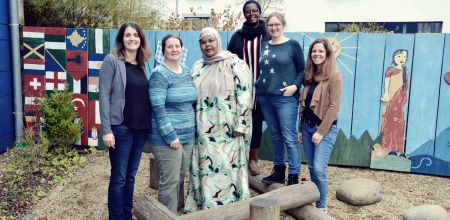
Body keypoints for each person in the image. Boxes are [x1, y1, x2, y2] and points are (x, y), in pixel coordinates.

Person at [184, 27, 253, 212]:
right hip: (203, 129)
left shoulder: (235, 64)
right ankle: (206, 204)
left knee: (228, 166)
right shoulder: (198, 67)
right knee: (206, 165)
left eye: (211, 40)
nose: (208, 45)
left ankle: (233, 207)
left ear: (218, 41)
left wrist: (242, 123)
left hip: (229, 128)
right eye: (203, 42)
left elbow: (246, 95)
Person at [99, 22, 151, 220]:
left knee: (130, 177)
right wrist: (107, 130)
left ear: (140, 39)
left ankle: (126, 215)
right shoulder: (112, 61)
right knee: (119, 178)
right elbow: (103, 95)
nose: (132, 39)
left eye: (135, 35)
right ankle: (116, 217)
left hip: (140, 129)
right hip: (121, 128)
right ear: (122, 39)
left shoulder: (141, 65)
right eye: (128, 35)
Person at [148, 34, 198, 214]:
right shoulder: (159, 74)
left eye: (177, 46)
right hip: (166, 138)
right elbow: (157, 108)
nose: (174, 49)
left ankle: (176, 212)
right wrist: (171, 136)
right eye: (170, 47)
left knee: (180, 177)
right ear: (163, 51)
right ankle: (164, 216)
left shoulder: (186, 72)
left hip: (187, 137)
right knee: (169, 181)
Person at [255, 12, 305, 186]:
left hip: (285, 98)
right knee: (275, 135)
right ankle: (278, 171)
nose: (274, 27)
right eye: (270, 25)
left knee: (289, 137)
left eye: (277, 24)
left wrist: (295, 86)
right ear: (267, 27)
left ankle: (293, 176)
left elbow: (302, 69)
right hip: (265, 97)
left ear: (283, 25)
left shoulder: (293, 45)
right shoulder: (264, 45)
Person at [298, 38, 343, 213]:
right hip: (307, 127)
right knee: (311, 168)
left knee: (319, 168)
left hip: (325, 129)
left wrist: (320, 132)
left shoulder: (334, 76)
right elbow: (305, 106)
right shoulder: (309, 76)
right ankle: (315, 200)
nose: (317, 54)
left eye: (321, 51)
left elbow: (334, 107)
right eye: (314, 51)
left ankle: (322, 207)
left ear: (328, 54)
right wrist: (301, 129)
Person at [227, 0, 270, 176]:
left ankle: (253, 159)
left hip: (262, 86)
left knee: (257, 123)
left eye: (255, 10)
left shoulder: (268, 34)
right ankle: (237, 158)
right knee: (240, 120)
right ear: (244, 14)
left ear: (260, 12)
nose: (251, 13)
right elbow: (228, 60)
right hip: (241, 87)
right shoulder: (238, 36)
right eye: (247, 11)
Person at [380, 49, 409, 154]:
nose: (401, 59)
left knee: (399, 123)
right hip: (391, 99)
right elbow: (387, 83)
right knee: (389, 123)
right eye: (399, 57)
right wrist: (386, 94)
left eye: (404, 57)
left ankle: (398, 148)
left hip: (400, 101)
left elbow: (404, 87)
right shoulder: (390, 70)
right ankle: (387, 147)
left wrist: (401, 98)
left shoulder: (405, 71)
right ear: (394, 57)